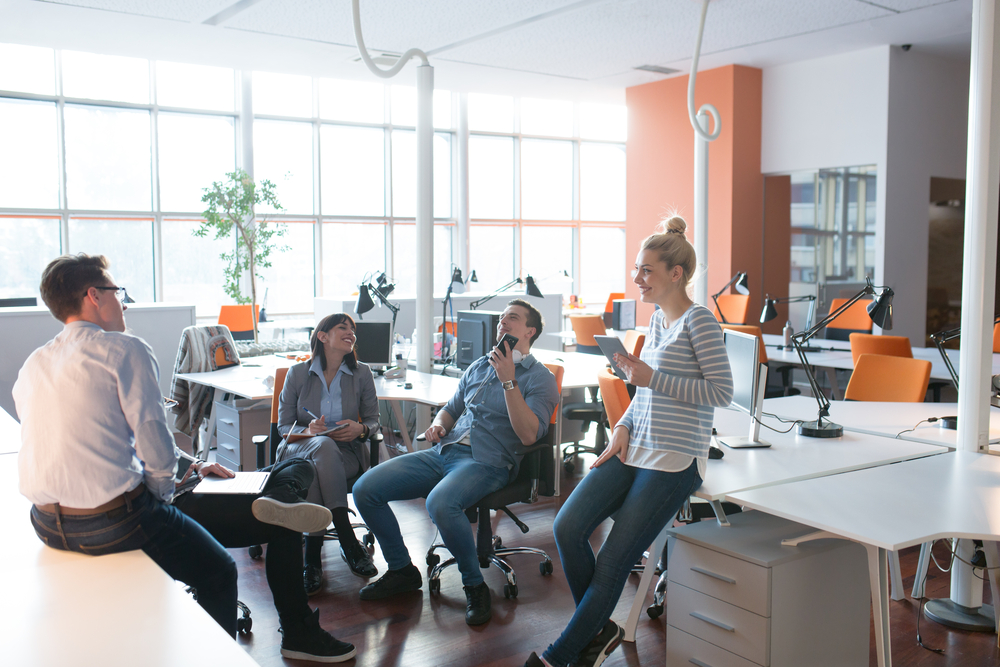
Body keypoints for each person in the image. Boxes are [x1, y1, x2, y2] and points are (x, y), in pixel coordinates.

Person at [15, 253, 356, 663]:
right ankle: (288, 636)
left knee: (288, 470)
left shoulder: (36, 363)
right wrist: (171, 491)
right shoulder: (124, 350)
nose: (123, 303)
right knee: (229, 564)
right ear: (93, 296)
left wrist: (189, 468)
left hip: (46, 522)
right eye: (117, 293)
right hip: (116, 520)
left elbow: (88, 438)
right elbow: (154, 451)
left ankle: (281, 495)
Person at [524, 217, 734, 667]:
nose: (637, 278)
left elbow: (722, 393)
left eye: (646, 270)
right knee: (567, 526)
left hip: (675, 459)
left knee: (615, 560)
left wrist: (652, 377)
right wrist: (621, 427)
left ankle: (561, 655)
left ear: (675, 274)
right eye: (637, 269)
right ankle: (598, 631)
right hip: (635, 446)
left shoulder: (700, 322)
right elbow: (646, 394)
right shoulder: (658, 320)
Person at [352, 299, 560, 626]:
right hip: (444, 452)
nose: (502, 324)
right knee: (365, 489)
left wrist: (508, 380)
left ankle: (474, 585)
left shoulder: (540, 378)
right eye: (502, 319)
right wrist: (439, 424)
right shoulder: (480, 366)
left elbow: (530, 434)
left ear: (530, 331)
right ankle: (402, 570)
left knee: (440, 503)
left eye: (512, 319)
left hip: (488, 462)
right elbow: (451, 407)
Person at [275, 312, 381, 594]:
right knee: (321, 446)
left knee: (320, 462)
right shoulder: (298, 373)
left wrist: (360, 429)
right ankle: (347, 537)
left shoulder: (362, 373)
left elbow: (374, 421)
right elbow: (283, 426)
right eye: (342, 328)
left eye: (353, 330)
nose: (351, 333)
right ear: (323, 336)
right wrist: (310, 429)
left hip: (343, 454)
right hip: (298, 449)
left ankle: (312, 559)